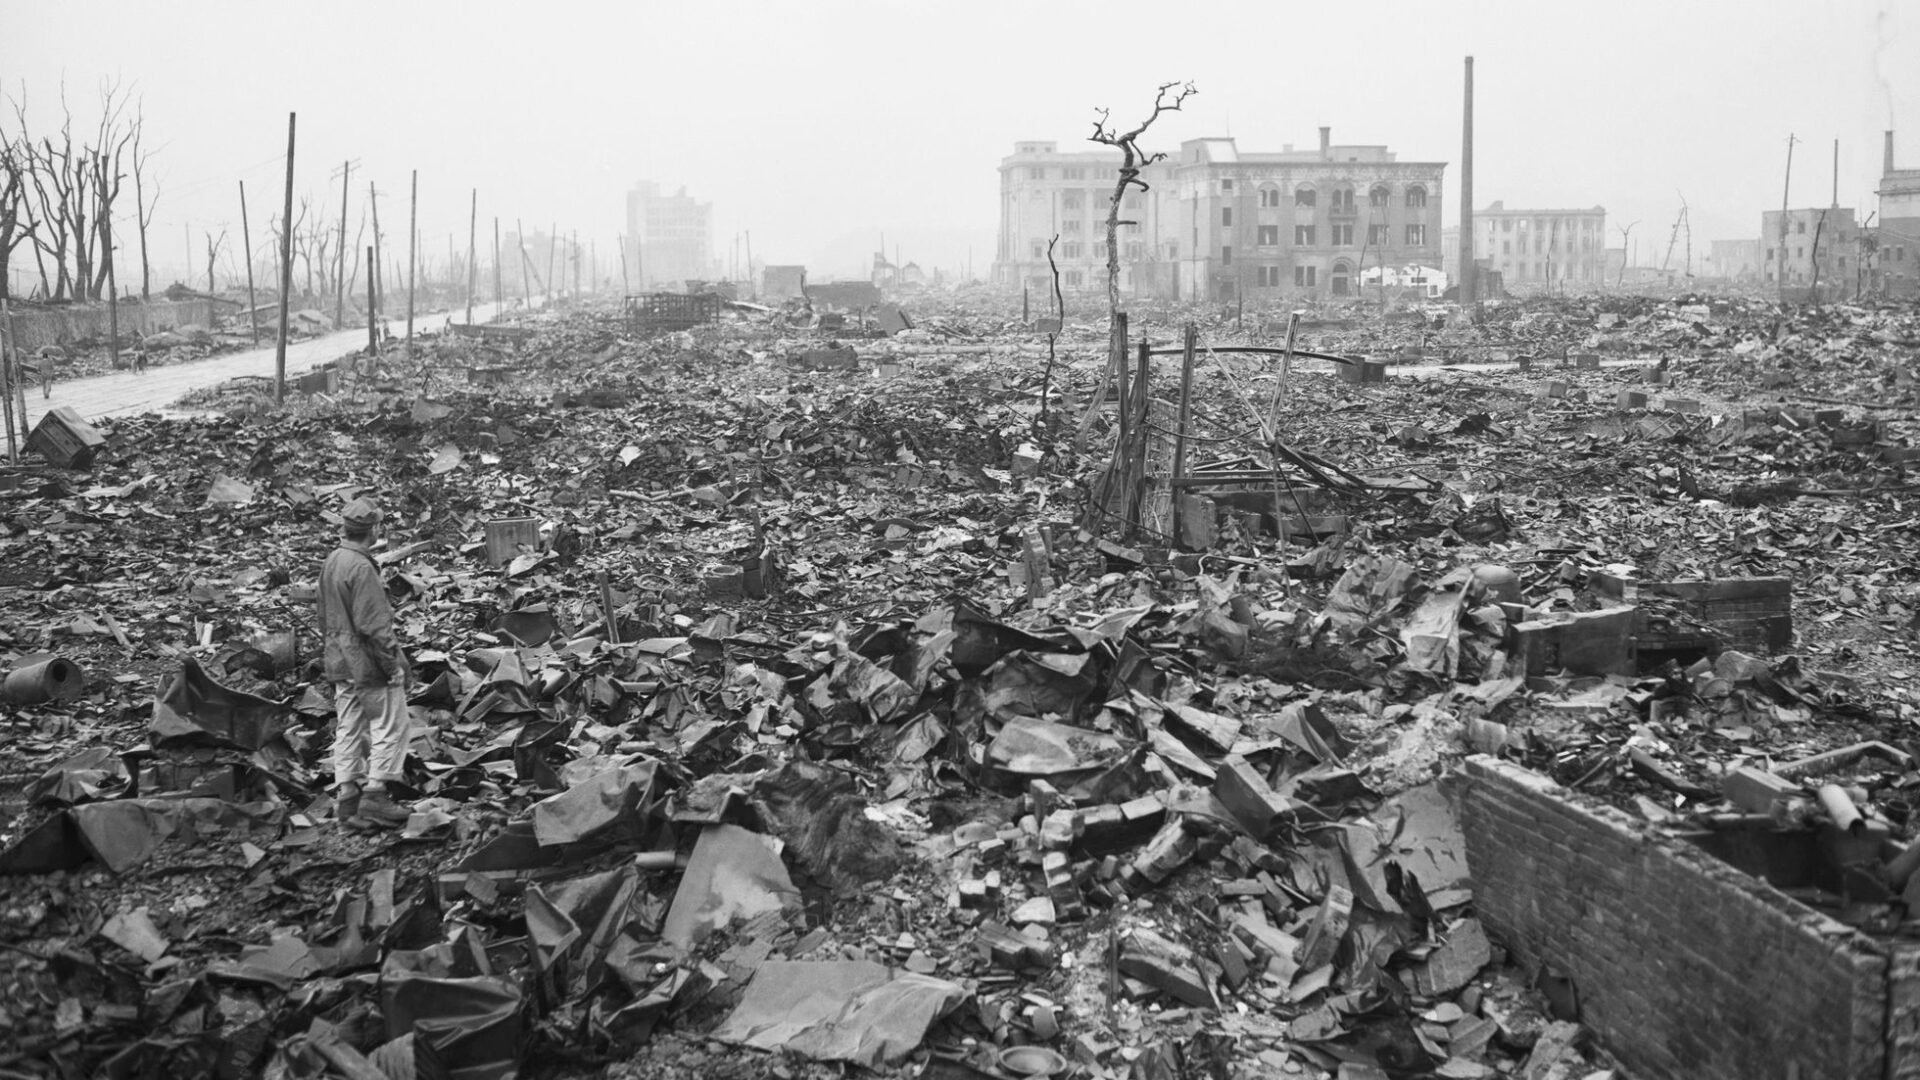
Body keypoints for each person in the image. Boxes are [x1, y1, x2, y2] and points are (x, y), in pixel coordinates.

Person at [318, 496, 413, 831]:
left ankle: (347, 798)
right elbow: (373, 626)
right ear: (372, 529)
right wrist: (393, 666)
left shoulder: (333, 560)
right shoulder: (361, 567)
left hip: (339, 659)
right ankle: (375, 795)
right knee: (391, 724)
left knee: (349, 725)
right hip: (366, 662)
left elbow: (325, 615)